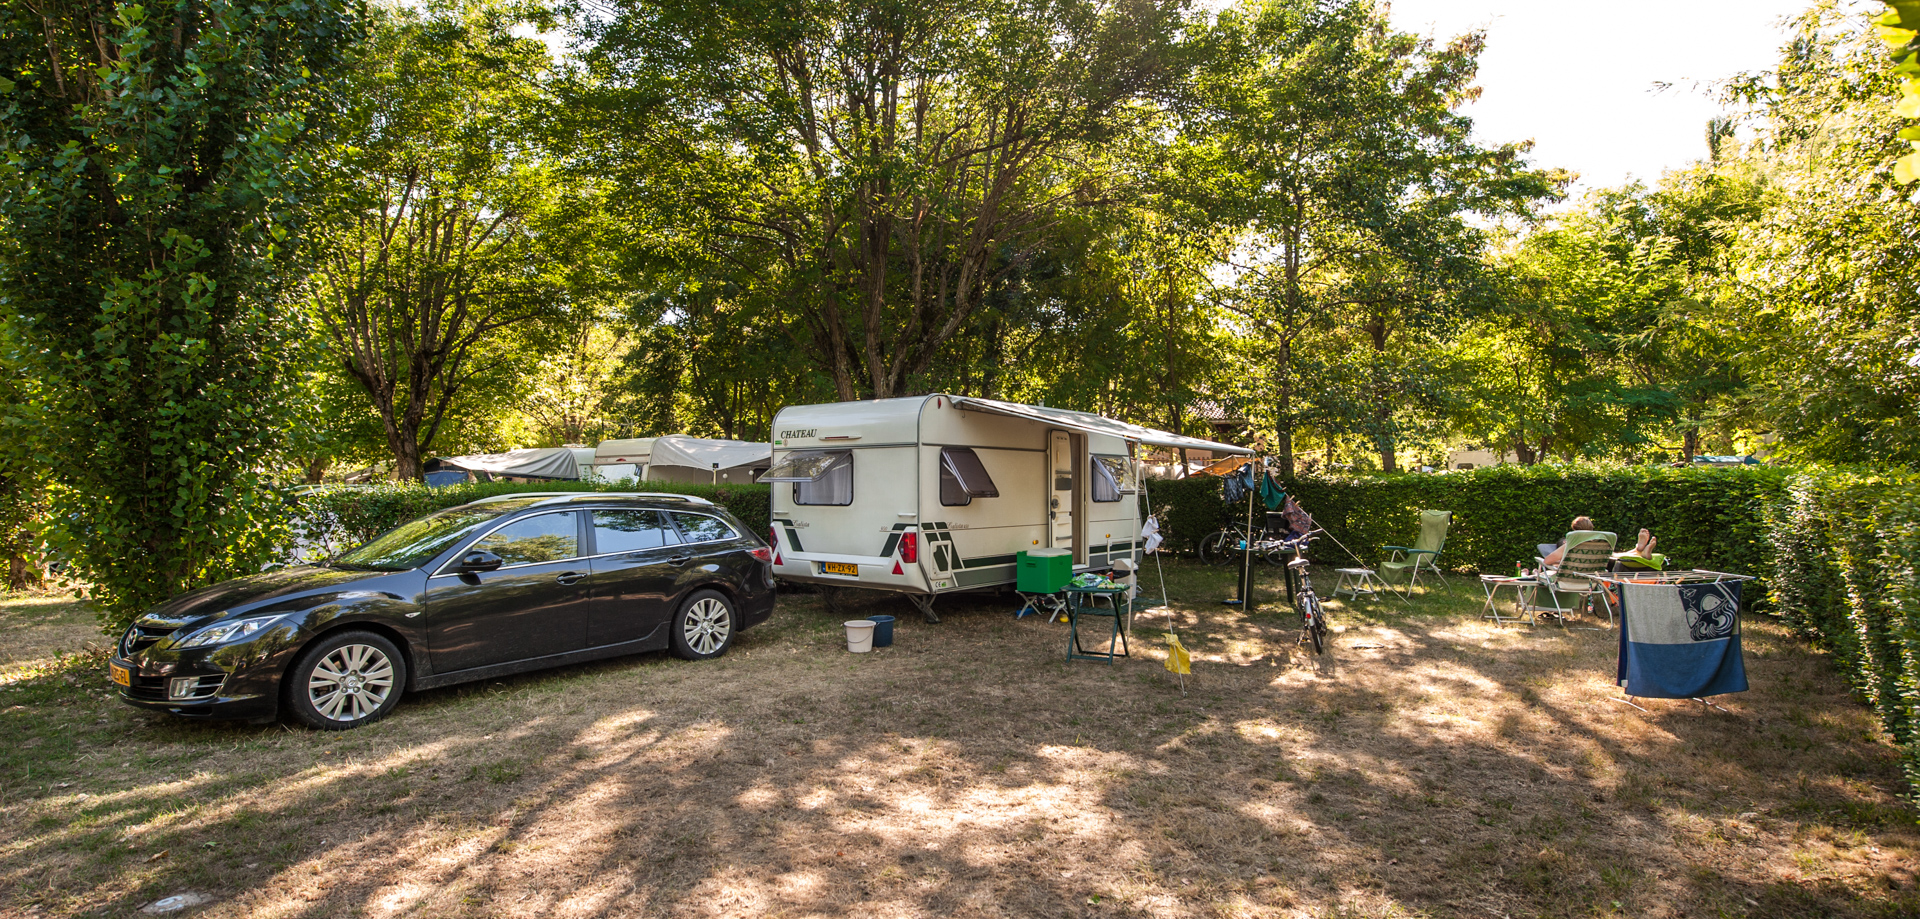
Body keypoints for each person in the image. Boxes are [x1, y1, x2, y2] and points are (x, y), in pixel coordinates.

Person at [1541, 518, 1657, 568]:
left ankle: (1639, 550)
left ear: (1574, 529)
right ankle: (1637, 550)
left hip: (1574, 575)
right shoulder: (1601, 544)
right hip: (1596, 574)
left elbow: (1547, 561)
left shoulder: (1571, 544)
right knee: (1615, 556)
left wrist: (1561, 561)